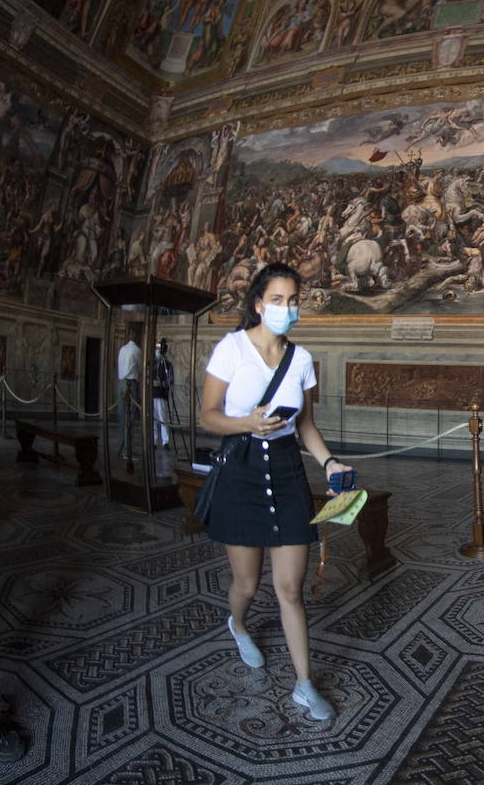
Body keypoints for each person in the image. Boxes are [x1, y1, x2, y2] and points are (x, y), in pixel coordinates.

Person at [199, 262, 351, 722]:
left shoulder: (301, 360)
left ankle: (304, 685)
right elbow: (208, 415)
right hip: (240, 470)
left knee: (290, 588)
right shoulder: (231, 349)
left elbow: (306, 424)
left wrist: (329, 461)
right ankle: (239, 624)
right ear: (259, 304)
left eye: (293, 299)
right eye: (278, 300)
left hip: (285, 473)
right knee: (246, 583)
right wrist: (248, 422)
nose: (287, 308)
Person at [116, 326, 141, 459]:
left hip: (120, 384)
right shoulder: (137, 350)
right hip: (130, 385)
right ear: (136, 338)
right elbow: (141, 367)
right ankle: (127, 451)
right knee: (129, 419)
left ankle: (121, 447)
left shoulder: (122, 349)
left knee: (122, 417)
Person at [152, 338, 174, 448]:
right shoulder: (153, 364)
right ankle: (154, 441)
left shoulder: (168, 365)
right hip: (152, 394)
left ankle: (165, 441)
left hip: (161, 395)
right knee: (153, 420)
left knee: (163, 418)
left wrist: (160, 383)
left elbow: (170, 380)